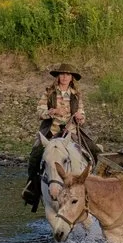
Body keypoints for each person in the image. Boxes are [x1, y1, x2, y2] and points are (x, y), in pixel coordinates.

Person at [25, 69, 97, 205]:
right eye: (62, 74)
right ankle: (32, 190)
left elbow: (81, 112)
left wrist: (80, 117)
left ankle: (95, 186)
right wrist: (53, 111)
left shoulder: (76, 94)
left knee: (95, 151)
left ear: (71, 78)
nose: (64, 77)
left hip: (72, 132)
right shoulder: (49, 92)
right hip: (51, 131)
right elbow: (39, 112)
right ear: (58, 77)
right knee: (35, 155)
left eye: (68, 75)